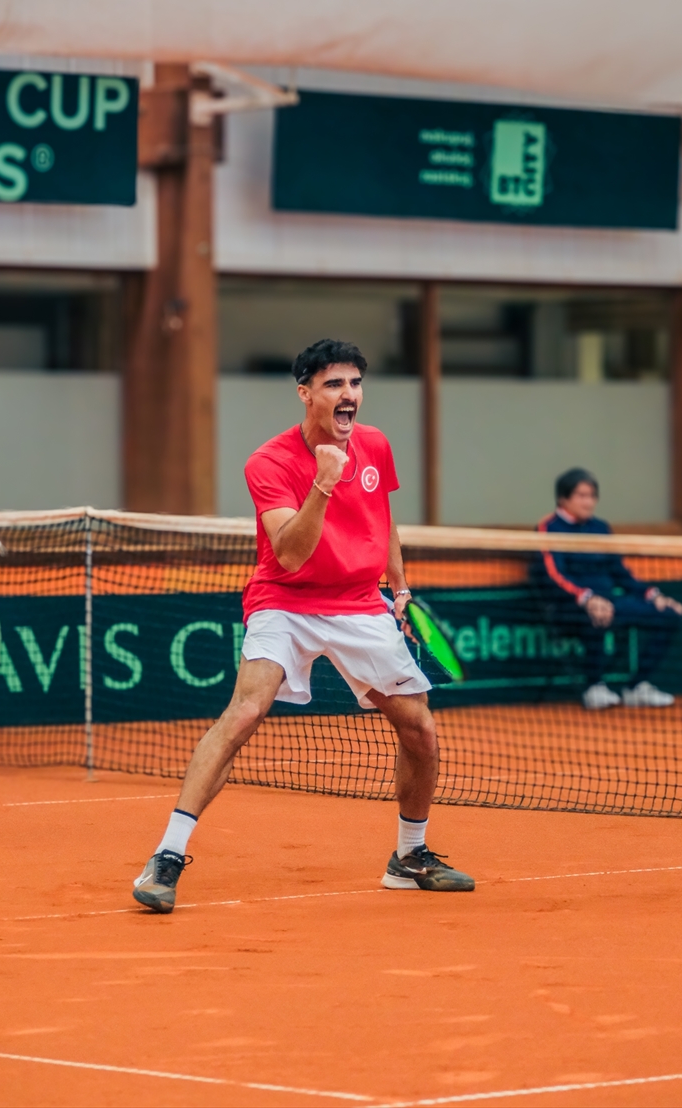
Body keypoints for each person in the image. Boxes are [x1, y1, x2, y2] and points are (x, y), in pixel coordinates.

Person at [133, 338, 475, 913]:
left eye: (356, 384)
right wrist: (323, 480)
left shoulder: (376, 446)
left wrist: (400, 586)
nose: (349, 395)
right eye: (334, 384)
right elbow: (289, 554)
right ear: (305, 393)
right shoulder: (268, 462)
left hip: (360, 605)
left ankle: (409, 856)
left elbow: (383, 519)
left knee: (419, 729)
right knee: (244, 713)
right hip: (285, 601)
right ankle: (166, 856)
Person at [532, 468, 682, 710]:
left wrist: (654, 596)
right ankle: (594, 686)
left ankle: (637, 686)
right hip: (568, 608)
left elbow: (620, 573)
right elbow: (553, 575)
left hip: (609, 602)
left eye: (592, 495)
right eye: (581, 495)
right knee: (600, 613)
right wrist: (587, 599)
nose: (589, 501)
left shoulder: (600, 528)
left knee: (669, 615)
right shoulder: (548, 528)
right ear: (563, 499)